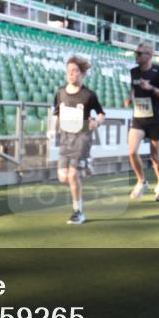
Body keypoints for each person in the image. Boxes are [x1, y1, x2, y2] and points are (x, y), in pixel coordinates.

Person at [47, 55, 105, 225]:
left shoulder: (88, 95)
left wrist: (97, 122)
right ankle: (86, 165)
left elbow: (101, 114)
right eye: (68, 72)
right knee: (62, 177)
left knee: (73, 175)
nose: (71, 74)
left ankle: (77, 211)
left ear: (82, 74)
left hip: (82, 138)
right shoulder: (60, 93)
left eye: (75, 71)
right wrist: (51, 130)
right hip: (65, 140)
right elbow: (56, 114)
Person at [124, 42, 159, 202]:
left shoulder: (158, 71)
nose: (136, 56)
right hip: (139, 118)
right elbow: (133, 88)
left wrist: (151, 88)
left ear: (149, 56)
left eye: (139, 53)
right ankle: (142, 181)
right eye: (136, 53)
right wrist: (129, 98)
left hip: (155, 119)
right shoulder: (134, 72)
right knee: (132, 151)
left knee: (154, 156)